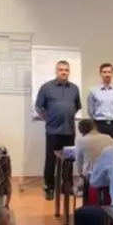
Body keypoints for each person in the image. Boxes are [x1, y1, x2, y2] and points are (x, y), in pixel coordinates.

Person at [35, 60, 82, 200]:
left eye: (66, 70)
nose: (64, 72)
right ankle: (49, 187)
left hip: (69, 131)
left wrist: (66, 114)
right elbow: (38, 107)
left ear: (69, 72)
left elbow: (77, 106)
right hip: (53, 131)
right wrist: (48, 119)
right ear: (56, 71)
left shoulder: (74, 88)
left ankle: (66, 186)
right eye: (61, 69)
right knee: (51, 160)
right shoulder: (46, 87)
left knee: (68, 159)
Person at [73, 118, 113, 186]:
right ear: (94, 127)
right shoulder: (109, 138)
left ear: (81, 131)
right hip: (110, 175)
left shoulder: (81, 141)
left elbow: (78, 163)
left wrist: (79, 174)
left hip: (91, 177)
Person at [87, 63, 113, 137]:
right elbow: (90, 111)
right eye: (104, 72)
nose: (107, 74)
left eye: (109, 72)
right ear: (100, 74)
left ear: (112, 74)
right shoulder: (93, 91)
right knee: (99, 144)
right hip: (98, 124)